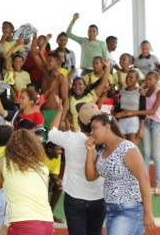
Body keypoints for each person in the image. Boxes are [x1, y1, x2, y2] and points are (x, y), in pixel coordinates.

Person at [85, 114, 156, 234]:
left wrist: (148, 213)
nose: (91, 133)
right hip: (111, 209)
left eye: (94, 128)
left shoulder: (127, 148)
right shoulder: (103, 151)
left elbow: (144, 178)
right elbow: (91, 177)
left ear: (107, 127)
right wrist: (90, 152)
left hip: (130, 210)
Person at [48, 96, 105, 234]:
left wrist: (60, 111)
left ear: (78, 122)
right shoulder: (105, 141)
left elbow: (51, 132)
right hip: (99, 198)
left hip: (75, 198)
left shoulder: (70, 139)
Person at [0, 129, 54, 235]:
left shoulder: (3, 162)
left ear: (11, 147)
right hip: (47, 222)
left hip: (23, 222)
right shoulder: (42, 167)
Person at [121, 71, 160, 195]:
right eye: (147, 79)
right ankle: (143, 182)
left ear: (156, 80)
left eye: (150, 79)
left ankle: (158, 184)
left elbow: (152, 111)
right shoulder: (143, 92)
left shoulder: (159, 92)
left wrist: (133, 112)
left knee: (155, 154)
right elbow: (142, 104)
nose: (148, 81)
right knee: (146, 153)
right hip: (145, 123)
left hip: (156, 124)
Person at [31, 33, 69, 132]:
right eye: (46, 60)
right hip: (41, 112)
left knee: (53, 143)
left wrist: (63, 119)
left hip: (54, 114)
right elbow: (35, 54)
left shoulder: (62, 78)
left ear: (57, 63)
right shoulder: (45, 72)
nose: (46, 63)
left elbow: (65, 100)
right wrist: (34, 38)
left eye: (50, 61)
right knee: (41, 143)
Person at [68, 59, 110, 132]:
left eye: (80, 84)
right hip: (74, 133)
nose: (77, 86)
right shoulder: (70, 99)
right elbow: (67, 115)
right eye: (75, 84)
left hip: (90, 133)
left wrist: (107, 67)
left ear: (85, 86)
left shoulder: (91, 95)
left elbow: (103, 83)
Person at [113, 70, 146, 146]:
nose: (128, 79)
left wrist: (141, 129)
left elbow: (143, 110)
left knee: (132, 149)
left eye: (131, 77)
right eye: (127, 77)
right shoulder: (121, 92)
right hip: (121, 123)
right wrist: (117, 114)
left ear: (137, 79)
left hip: (134, 122)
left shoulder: (140, 92)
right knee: (122, 149)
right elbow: (118, 108)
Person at [44, 142, 64, 224]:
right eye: (58, 149)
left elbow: (53, 173)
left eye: (61, 149)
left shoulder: (57, 156)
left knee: (59, 187)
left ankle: (50, 214)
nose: (61, 152)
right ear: (50, 150)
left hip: (47, 179)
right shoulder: (40, 156)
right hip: (37, 181)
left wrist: (57, 180)